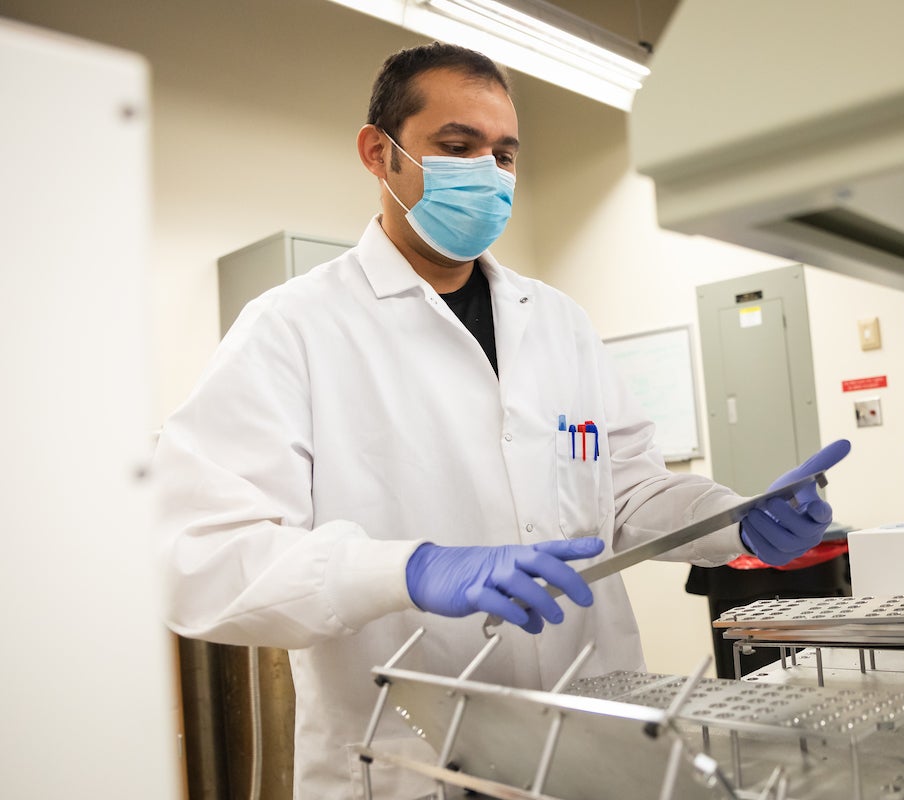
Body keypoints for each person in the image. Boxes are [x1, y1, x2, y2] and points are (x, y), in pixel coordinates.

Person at [154, 42, 849, 800]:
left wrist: (733, 520)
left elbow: (623, 493)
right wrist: (409, 569)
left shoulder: (558, 322)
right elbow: (204, 561)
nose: (486, 172)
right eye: (456, 148)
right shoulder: (293, 328)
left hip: (591, 743)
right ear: (378, 154)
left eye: (504, 154)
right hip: (408, 765)